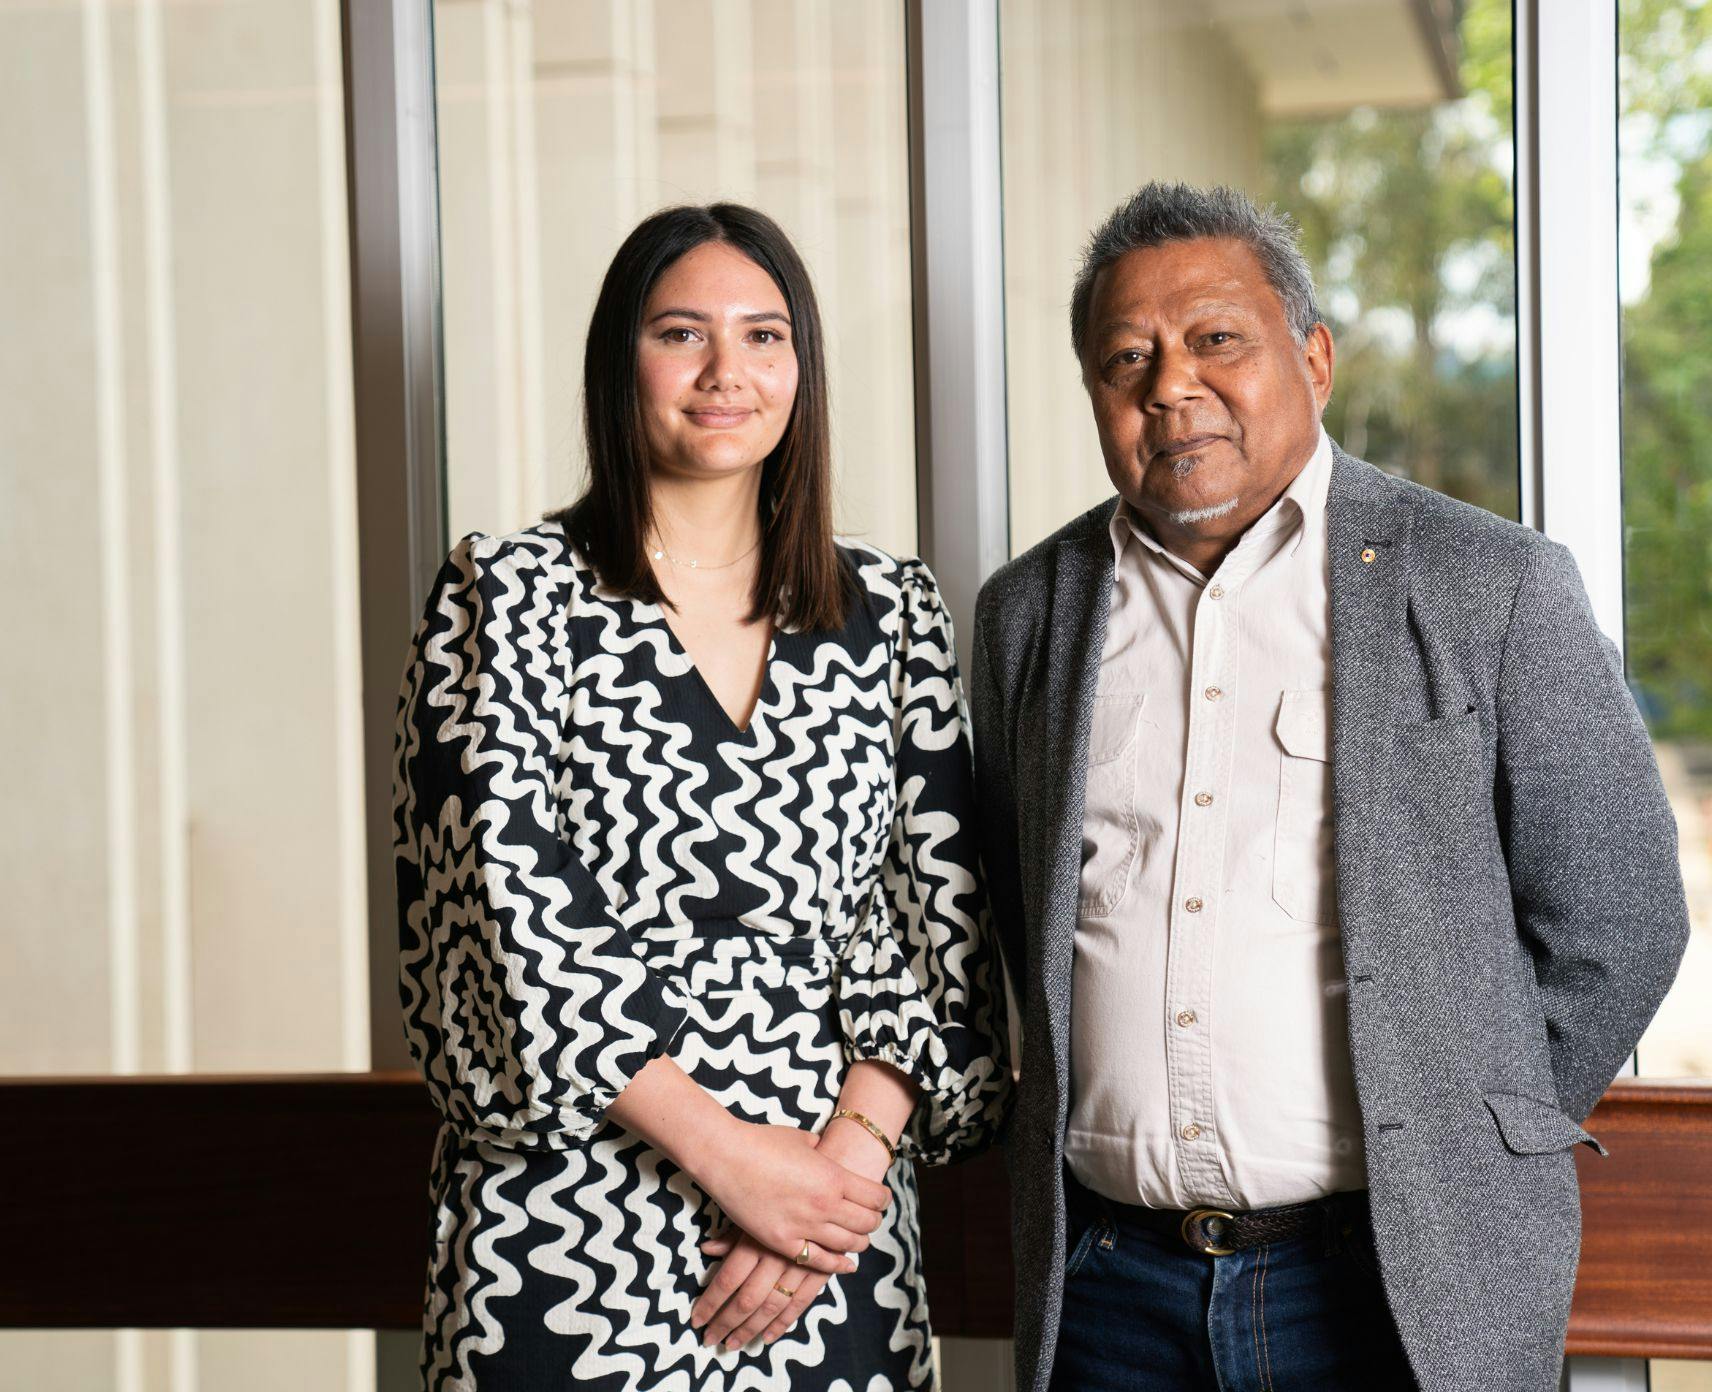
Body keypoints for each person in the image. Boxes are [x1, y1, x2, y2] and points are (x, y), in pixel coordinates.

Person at [970, 182, 1689, 1392]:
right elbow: (1012, 899)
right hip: (1104, 1288)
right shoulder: (1026, 613)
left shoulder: (1487, 585)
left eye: (1214, 339)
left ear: (1311, 357)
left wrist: (1462, 1134)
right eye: (1123, 358)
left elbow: (1617, 919)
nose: (1168, 385)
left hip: (1380, 1291)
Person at [394, 202, 1011, 1391]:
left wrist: (838, 1175)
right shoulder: (503, 600)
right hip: (566, 1218)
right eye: (681, 333)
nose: (727, 370)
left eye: (764, 335)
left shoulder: (889, 612)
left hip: (835, 1228)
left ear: (802, 368)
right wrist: (732, 1161)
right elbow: (506, 918)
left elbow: (935, 921)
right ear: (617, 360)